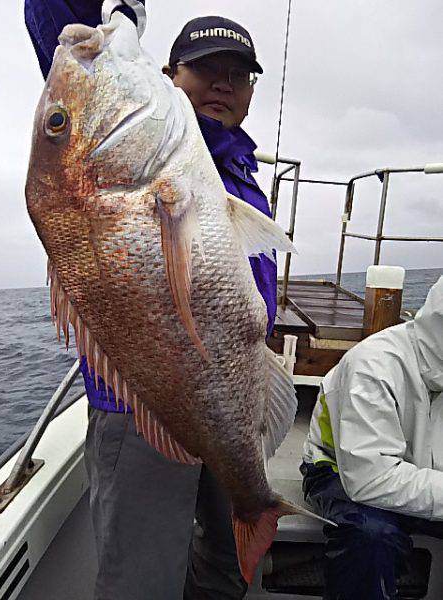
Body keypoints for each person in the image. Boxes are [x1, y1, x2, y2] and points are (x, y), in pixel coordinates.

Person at [25, 2, 277, 599]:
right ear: (170, 77)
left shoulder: (233, 168)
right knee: (142, 582)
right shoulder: (147, 153)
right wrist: (112, 14)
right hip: (142, 409)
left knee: (224, 563)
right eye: (204, 67)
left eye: (238, 74)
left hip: (231, 394)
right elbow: (53, 22)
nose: (222, 83)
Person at [301, 275, 443, 600]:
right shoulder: (372, 366)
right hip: (340, 471)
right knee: (370, 536)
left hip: (425, 477)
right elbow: (370, 481)